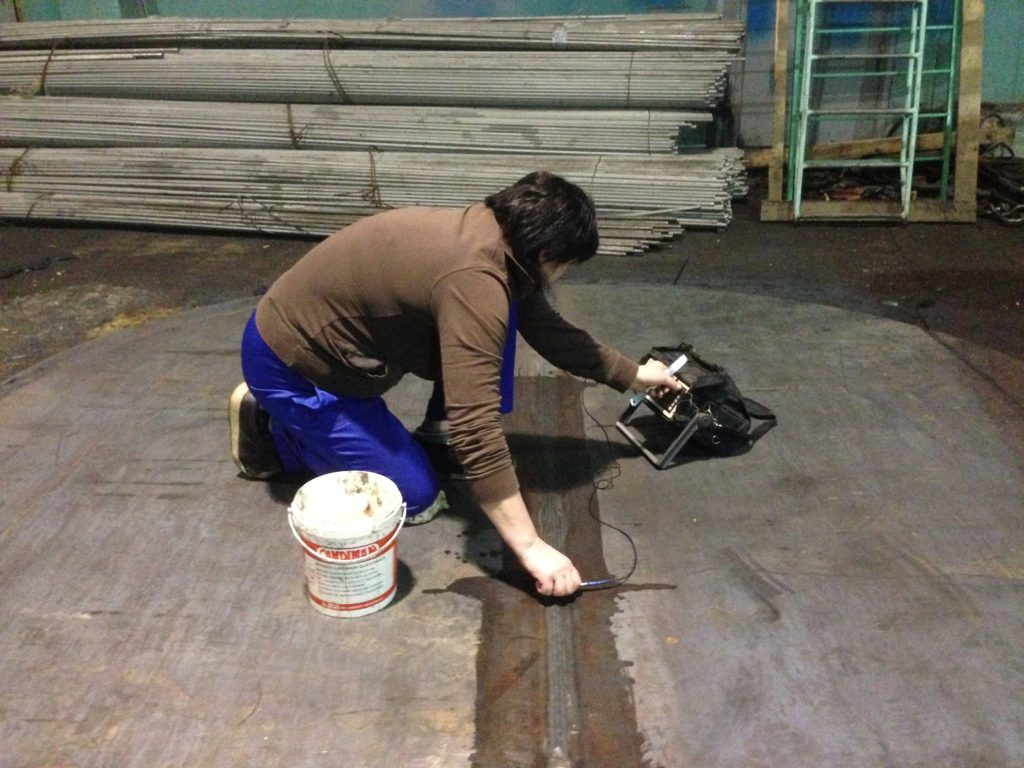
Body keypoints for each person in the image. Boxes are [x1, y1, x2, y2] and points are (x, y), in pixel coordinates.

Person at [229, 171, 682, 597]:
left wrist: (636, 375)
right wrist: (530, 547)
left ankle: (432, 433)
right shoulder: (475, 280)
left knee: (500, 321)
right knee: (415, 498)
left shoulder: (493, 237)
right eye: (566, 265)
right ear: (546, 254)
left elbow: (548, 329)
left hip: (323, 340)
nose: (562, 276)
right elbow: (477, 428)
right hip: (294, 366)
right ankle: (271, 429)